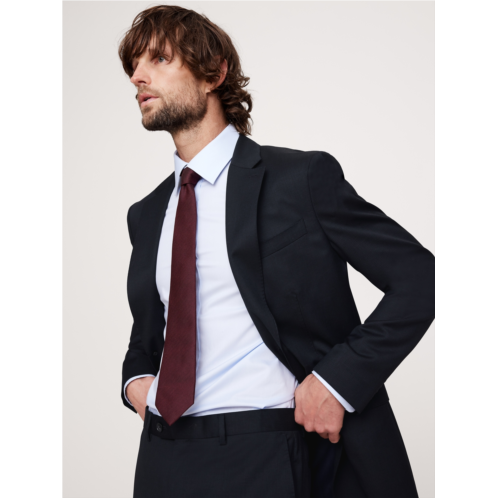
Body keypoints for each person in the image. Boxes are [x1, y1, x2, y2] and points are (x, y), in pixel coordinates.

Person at [119, 6, 435, 498]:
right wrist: (136, 378)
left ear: (213, 73)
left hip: (267, 449)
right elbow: (152, 328)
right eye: (133, 65)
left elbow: (420, 278)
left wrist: (336, 381)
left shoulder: (300, 180)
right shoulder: (146, 214)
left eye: (158, 59)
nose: (138, 76)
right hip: (164, 456)